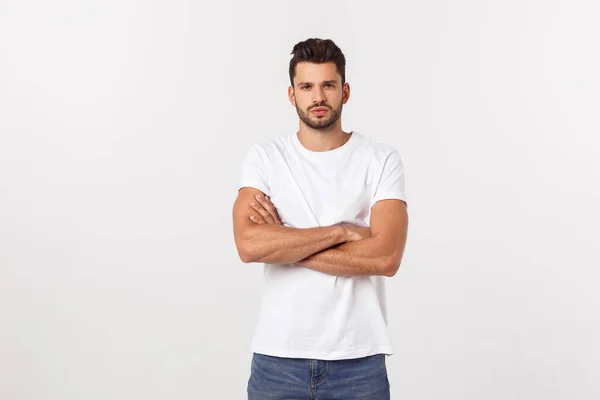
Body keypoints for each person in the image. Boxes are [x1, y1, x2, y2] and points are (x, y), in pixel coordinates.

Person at [232, 38, 409, 400]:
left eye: (328, 85)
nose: (318, 97)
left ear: (344, 91)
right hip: (278, 358)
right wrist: (343, 231)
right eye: (307, 86)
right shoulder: (265, 158)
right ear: (291, 94)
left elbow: (385, 258)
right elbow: (249, 245)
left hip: (358, 361)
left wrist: (283, 243)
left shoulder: (381, 160)